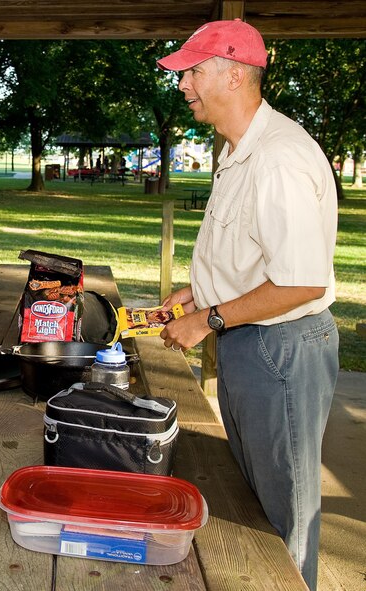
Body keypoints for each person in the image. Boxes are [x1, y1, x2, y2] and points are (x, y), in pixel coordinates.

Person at [156, 19, 338, 590]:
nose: (182, 84)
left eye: (192, 72)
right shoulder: (241, 150)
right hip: (252, 343)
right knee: (253, 498)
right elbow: (252, 258)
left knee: (283, 516)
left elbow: (302, 282)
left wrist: (206, 319)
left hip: (280, 351)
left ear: (233, 74)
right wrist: (198, 292)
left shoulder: (278, 158)